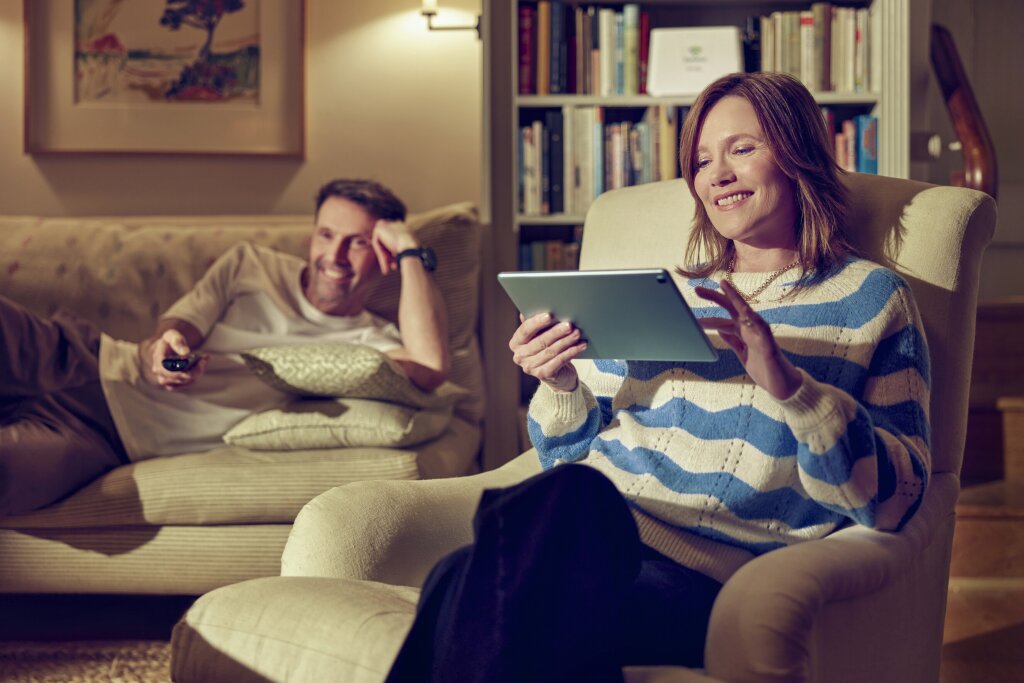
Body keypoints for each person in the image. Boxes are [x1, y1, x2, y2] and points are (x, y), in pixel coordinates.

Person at [385, 72, 931, 682]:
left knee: (477, 572)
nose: (716, 174)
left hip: (701, 578)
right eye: (701, 160)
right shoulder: (667, 292)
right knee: (467, 567)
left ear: (798, 151)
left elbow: (899, 497)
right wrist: (562, 383)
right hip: (591, 534)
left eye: (742, 149)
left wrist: (789, 387)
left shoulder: (871, 298)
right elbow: (568, 452)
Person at [0, 178, 449, 516]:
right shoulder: (250, 265)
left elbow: (431, 365)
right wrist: (168, 345)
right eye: (326, 235)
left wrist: (411, 250)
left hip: (101, 437)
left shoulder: (376, 345)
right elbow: (180, 326)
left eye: (357, 243)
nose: (333, 256)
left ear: (386, 255)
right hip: (83, 356)